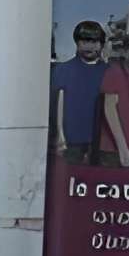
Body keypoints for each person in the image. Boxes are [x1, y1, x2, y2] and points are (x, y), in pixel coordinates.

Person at [48, 21, 117, 167]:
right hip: (71, 143)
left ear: (101, 44)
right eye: (84, 41)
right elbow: (59, 103)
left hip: (102, 144)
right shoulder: (63, 70)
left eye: (94, 42)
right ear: (77, 42)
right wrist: (60, 136)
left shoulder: (109, 72)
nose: (89, 46)